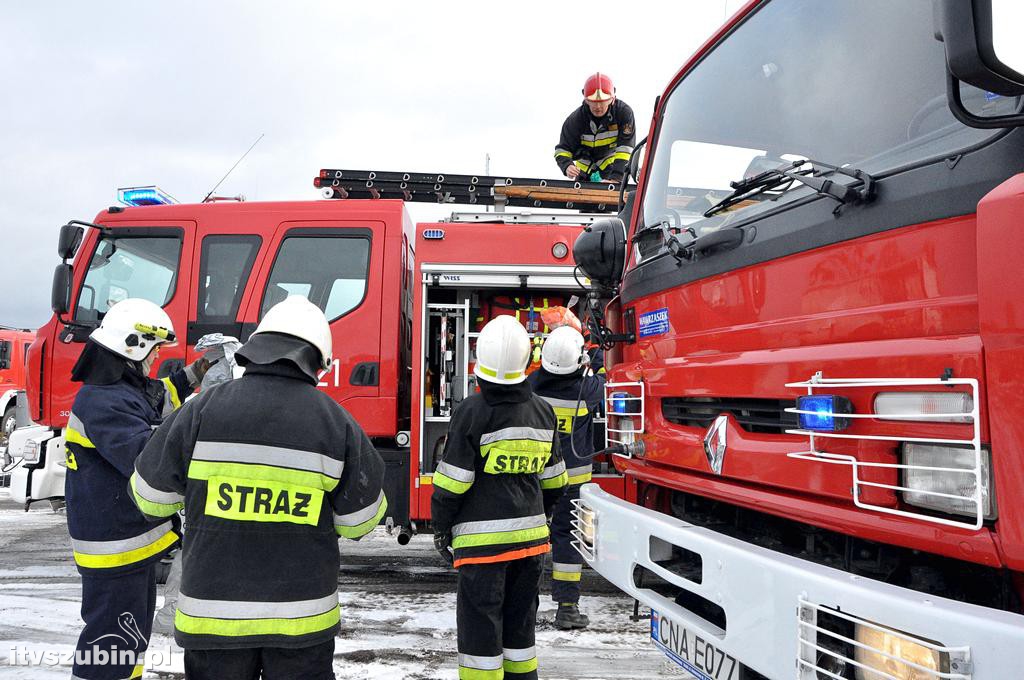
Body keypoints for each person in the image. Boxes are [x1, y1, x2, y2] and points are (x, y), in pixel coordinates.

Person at [130, 296, 387, 680]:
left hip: (213, 622)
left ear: (254, 350)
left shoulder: (199, 411)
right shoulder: (338, 424)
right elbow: (359, 524)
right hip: (301, 625)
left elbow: (149, 498)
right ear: (319, 363)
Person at [64, 298, 208, 680]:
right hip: (115, 551)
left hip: (129, 546)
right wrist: (204, 420)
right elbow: (147, 459)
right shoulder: (103, 401)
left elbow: (156, 397)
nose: (155, 360)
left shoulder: (120, 390)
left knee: (129, 641)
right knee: (111, 644)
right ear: (134, 346)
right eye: (154, 351)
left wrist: (195, 375)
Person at [432, 315, 568, 680]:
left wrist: (442, 529)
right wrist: (542, 518)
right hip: (530, 547)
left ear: (480, 363)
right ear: (526, 363)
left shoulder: (471, 412)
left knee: (481, 640)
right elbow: (556, 481)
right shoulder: (543, 411)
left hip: (483, 550)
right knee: (520, 636)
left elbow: (453, 483)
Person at [526, 326, 606, 630]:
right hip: (574, 484)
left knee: (531, 540)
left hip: (534, 478)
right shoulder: (586, 391)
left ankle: (525, 606)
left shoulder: (531, 385)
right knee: (569, 539)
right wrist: (596, 356)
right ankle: (568, 609)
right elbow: (603, 375)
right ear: (577, 359)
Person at [554, 72, 636, 183]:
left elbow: (626, 149)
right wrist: (567, 166)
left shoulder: (623, 113)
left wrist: (616, 179)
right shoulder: (575, 120)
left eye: (602, 102)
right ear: (586, 99)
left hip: (612, 168)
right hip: (583, 171)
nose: (598, 107)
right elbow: (562, 150)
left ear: (612, 98)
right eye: (593, 102)